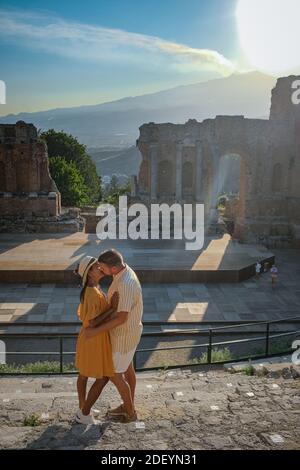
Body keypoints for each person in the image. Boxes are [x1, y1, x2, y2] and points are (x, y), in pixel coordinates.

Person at [85, 249, 143, 423]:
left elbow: (122, 317)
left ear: (114, 267)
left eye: (102, 267)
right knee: (128, 369)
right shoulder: (125, 272)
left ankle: (131, 413)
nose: (101, 270)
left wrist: (95, 330)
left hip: (123, 336)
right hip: (131, 332)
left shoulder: (125, 283)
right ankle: (127, 406)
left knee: (114, 375)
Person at [74, 255, 118, 425]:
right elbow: (92, 322)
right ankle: (84, 414)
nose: (100, 268)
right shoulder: (92, 292)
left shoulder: (92, 288)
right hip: (94, 339)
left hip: (88, 338)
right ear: (89, 273)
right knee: (104, 377)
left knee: (84, 374)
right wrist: (112, 308)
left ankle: (82, 408)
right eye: (95, 267)